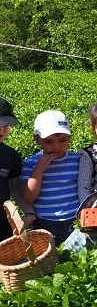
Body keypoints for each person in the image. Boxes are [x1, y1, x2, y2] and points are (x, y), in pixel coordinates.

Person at [20, 110, 81, 245]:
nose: (56, 147)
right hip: (46, 222)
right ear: (37, 139)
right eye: (49, 141)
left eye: (62, 140)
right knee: (50, 254)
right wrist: (38, 170)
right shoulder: (31, 163)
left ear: (69, 137)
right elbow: (28, 197)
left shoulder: (76, 160)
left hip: (75, 219)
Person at [0, 97, 37, 241]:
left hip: (3, 226)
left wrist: (30, 213)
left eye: (6, 124)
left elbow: (14, 189)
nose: (2, 129)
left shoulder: (10, 156)